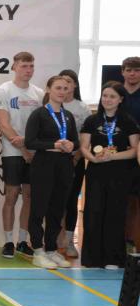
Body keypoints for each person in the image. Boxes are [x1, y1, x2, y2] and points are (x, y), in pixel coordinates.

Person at [80, 83, 139, 269]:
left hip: (120, 174)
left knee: (115, 213)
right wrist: (93, 159)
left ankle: (113, 258)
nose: (107, 99)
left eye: (112, 96)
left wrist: (113, 156)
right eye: (105, 95)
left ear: (120, 99)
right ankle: (92, 258)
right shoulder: (91, 120)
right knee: (93, 212)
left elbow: (134, 150)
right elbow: (84, 147)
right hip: (96, 172)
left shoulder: (128, 121)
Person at [0, 51, 44, 260]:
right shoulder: (4, 90)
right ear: (14, 67)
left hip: (34, 152)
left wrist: (31, 148)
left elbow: (42, 124)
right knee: (11, 195)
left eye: (31, 66)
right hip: (13, 151)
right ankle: (8, 242)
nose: (28, 70)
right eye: (24, 66)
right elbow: (3, 124)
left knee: (29, 196)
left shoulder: (39, 93)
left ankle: (22, 241)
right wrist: (23, 149)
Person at [24, 76, 79, 269]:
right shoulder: (38, 114)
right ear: (48, 89)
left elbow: (76, 141)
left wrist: (72, 145)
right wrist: (54, 144)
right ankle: (38, 250)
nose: (62, 92)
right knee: (38, 209)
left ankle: (51, 249)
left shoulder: (68, 115)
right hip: (43, 165)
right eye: (58, 88)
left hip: (64, 165)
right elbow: (30, 142)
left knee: (57, 209)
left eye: (65, 88)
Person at [57, 70, 91, 258]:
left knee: (71, 201)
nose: (65, 86)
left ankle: (70, 241)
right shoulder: (52, 105)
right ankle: (53, 239)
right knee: (55, 200)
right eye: (61, 82)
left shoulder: (82, 108)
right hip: (55, 160)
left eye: (69, 82)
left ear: (75, 85)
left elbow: (85, 138)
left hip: (75, 159)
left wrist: (77, 156)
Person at [118, 57, 140, 252]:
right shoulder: (115, 92)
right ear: (122, 72)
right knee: (118, 199)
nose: (132, 73)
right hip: (117, 153)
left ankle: (131, 241)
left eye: (137, 70)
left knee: (135, 200)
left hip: (138, 153)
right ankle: (115, 240)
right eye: (129, 70)